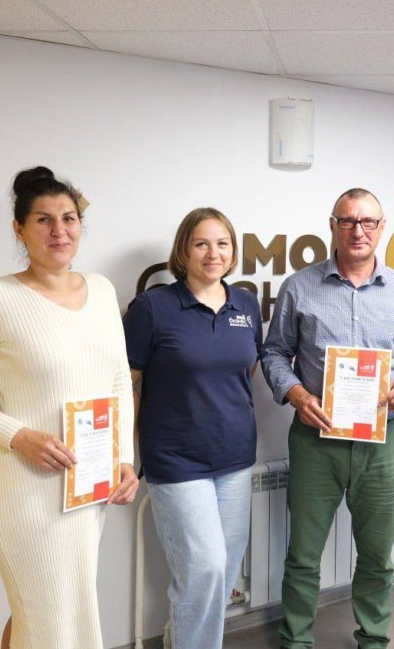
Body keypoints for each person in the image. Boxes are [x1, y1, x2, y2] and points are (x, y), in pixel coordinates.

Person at [0, 167, 139, 649]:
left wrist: (124, 458)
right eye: (43, 220)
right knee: (45, 619)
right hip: (25, 491)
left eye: (68, 218)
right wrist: (19, 436)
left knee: (57, 615)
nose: (59, 231)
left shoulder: (102, 291)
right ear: (19, 229)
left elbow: (117, 379)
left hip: (86, 488)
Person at [261, 188, 394, 649]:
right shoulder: (299, 287)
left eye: (368, 222)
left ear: (382, 228)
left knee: (377, 556)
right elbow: (274, 353)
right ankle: (296, 640)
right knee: (303, 555)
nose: (358, 230)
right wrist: (296, 393)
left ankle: (373, 639)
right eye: (348, 221)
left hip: (383, 443)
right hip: (315, 441)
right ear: (333, 226)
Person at [123, 207, 262, 649]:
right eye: (201, 243)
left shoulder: (246, 304)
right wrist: (127, 449)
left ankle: (181, 639)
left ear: (233, 251)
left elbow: (245, 371)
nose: (212, 253)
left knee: (222, 571)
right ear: (183, 250)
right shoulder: (153, 307)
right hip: (177, 460)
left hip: (235, 457)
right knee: (204, 569)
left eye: (222, 243)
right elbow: (126, 383)